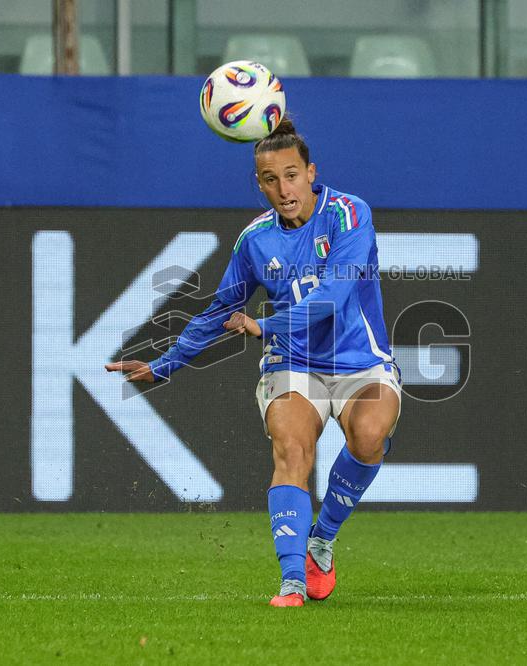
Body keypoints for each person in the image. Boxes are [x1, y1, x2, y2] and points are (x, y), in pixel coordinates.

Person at [105, 117, 401, 608]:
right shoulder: (255, 241)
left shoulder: (350, 215)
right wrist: (164, 364)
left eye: (291, 175)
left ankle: (321, 539)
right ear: (259, 183)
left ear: (311, 172)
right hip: (293, 361)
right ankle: (291, 581)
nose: (282, 189)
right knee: (291, 449)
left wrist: (264, 326)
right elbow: (221, 310)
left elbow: (332, 296)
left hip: (359, 359)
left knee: (369, 436)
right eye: (269, 179)